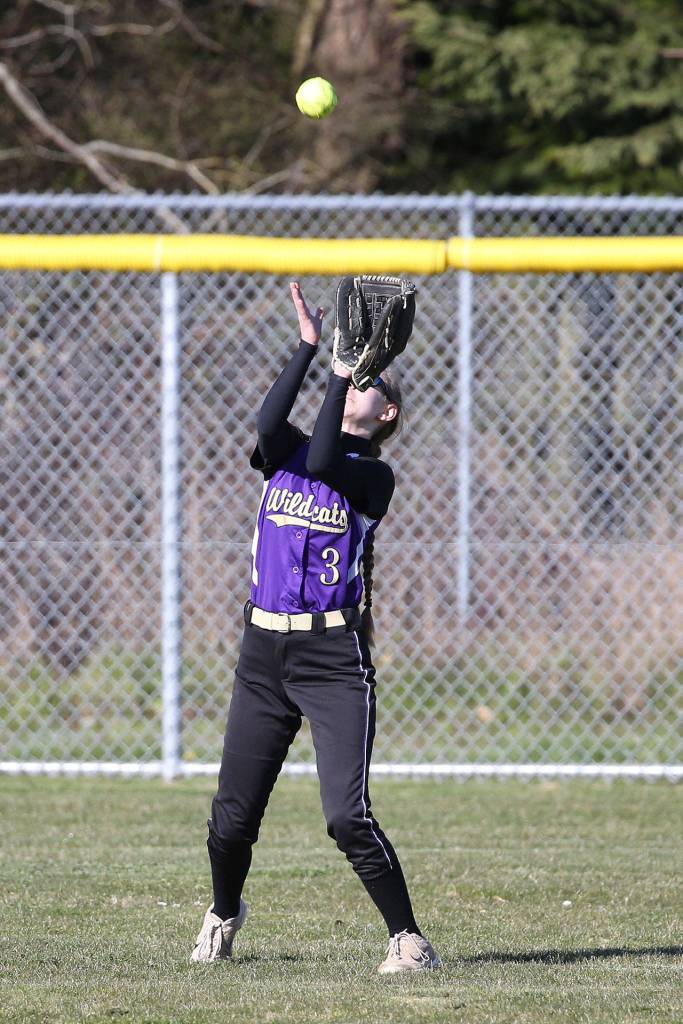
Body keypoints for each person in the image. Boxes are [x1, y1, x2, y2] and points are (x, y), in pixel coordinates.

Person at [190, 280, 442, 974]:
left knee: (344, 816)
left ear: (385, 410)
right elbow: (271, 429)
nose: (358, 379)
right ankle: (222, 911)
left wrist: (339, 375)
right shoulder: (289, 451)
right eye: (353, 375)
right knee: (231, 819)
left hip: (331, 657)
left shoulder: (373, 476)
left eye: (371, 380)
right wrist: (307, 350)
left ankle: (407, 940)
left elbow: (330, 460)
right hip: (262, 651)